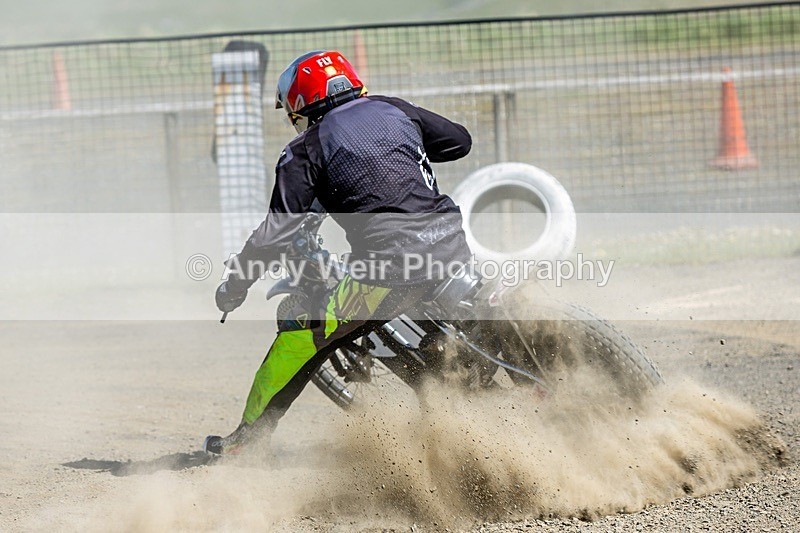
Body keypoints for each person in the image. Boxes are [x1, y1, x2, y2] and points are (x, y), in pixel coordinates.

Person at [204, 50, 472, 454]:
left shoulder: (305, 148)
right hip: (451, 242)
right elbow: (459, 142)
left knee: (301, 328)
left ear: (300, 103)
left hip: (387, 269)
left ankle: (247, 443)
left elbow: (275, 232)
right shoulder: (393, 109)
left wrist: (236, 284)